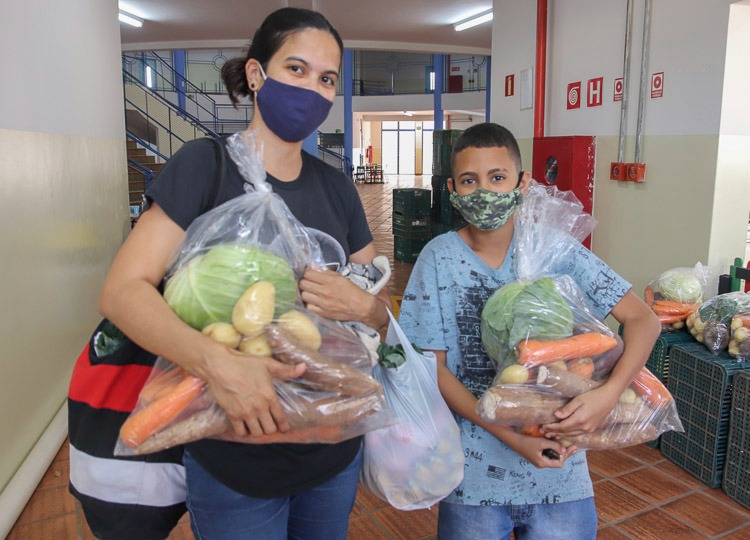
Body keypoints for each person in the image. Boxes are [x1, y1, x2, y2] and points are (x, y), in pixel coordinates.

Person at [94, 7, 390, 539]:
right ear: (256, 75)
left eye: (326, 79)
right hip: (234, 458)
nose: (312, 89)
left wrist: (369, 308)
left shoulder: (337, 187)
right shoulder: (205, 166)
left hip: (332, 448)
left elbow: (373, 318)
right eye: (295, 69)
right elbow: (121, 293)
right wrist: (217, 363)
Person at [397, 123, 660, 540]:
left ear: (523, 183)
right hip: (472, 478)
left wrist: (606, 397)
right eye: (470, 181)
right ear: (451, 188)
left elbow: (644, 320)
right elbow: (432, 368)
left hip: (563, 471)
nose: (484, 191)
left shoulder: (557, 250)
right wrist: (513, 439)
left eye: (497, 178)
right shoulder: (438, 259)